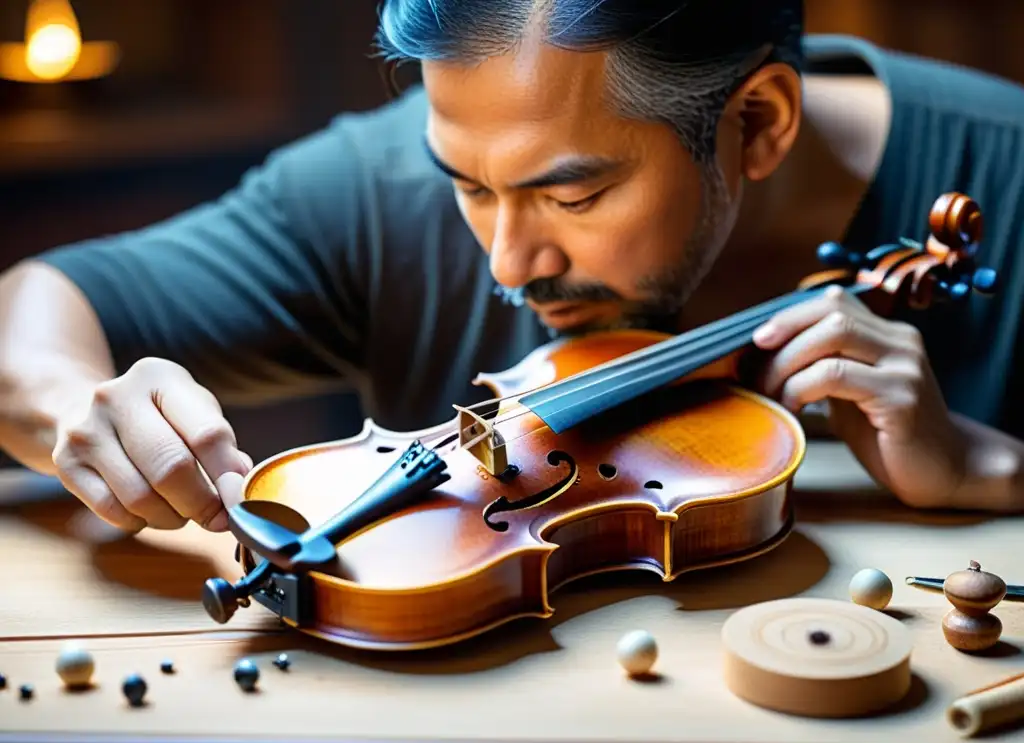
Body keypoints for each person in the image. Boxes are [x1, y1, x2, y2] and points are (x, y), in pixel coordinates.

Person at [2, 0, 1024, 537]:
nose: (506, 259)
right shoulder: (378, 183)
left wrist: (995, 469)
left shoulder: (1008, 173)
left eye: (572, 197)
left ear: (755, 122)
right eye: (468, 185)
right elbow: (38, 306)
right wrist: (72, 406)